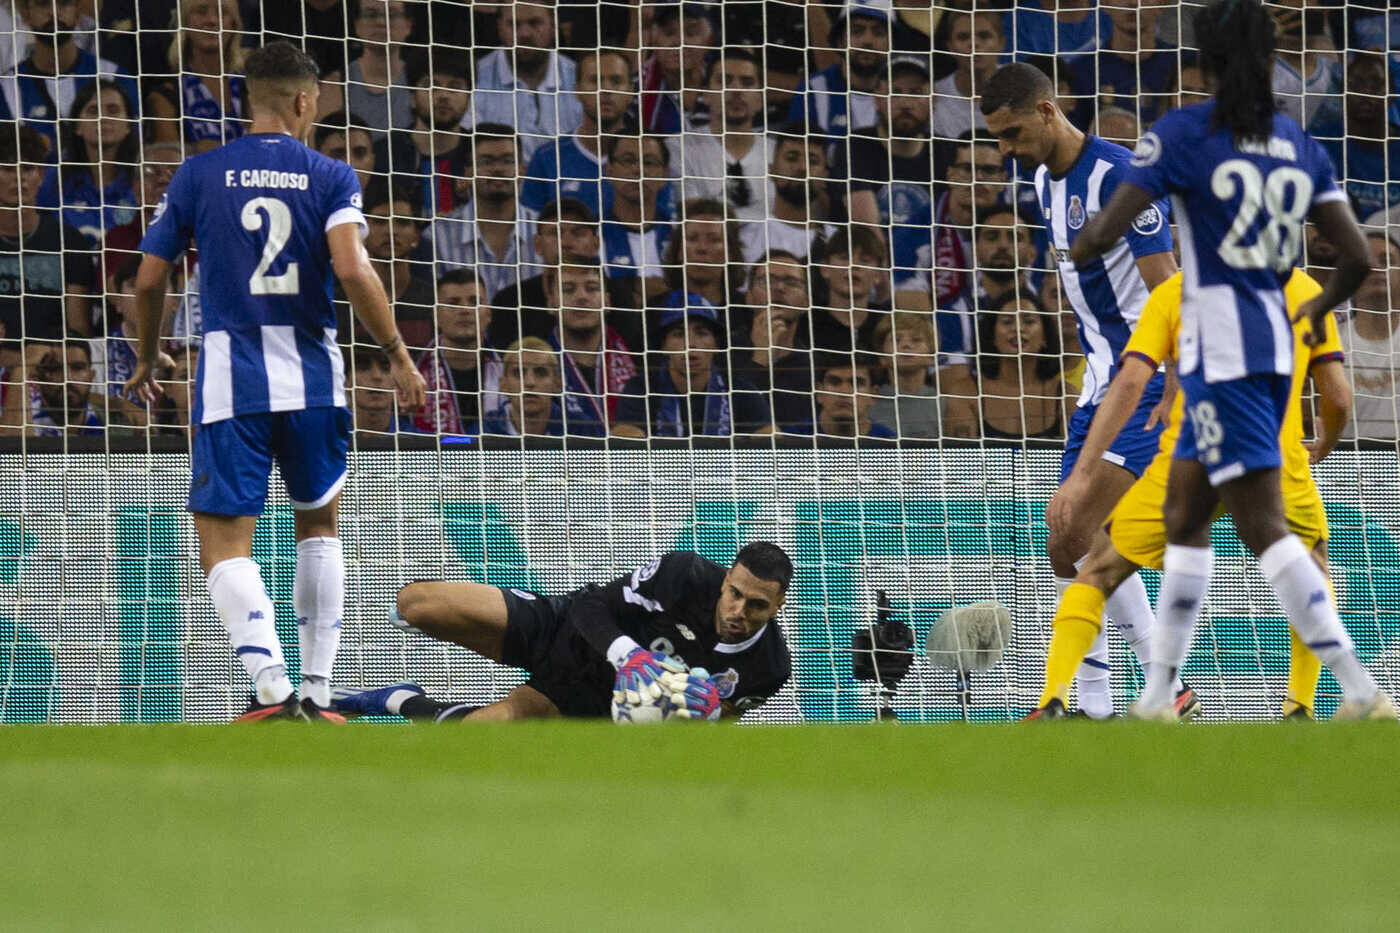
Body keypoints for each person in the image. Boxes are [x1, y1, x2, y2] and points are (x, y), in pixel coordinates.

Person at [1068, 0, 1394, 721]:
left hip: (1219, 349)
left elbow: (1109, 227)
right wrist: (1314, 306)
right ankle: (1158, 694)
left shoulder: (1183, 133)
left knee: (1262, 527)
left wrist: (1081, 244)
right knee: (1185, 512)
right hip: (1273, 350)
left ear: (1205, 62)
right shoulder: (1298, 143)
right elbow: (1360, 256)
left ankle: (1364, 690)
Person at [124, 41, 427, 723]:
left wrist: (146, 355)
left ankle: (267, 682)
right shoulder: (331, 174)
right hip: (317, 374)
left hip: (234, 376)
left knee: (224, 537)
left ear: (249, 99)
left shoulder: (199, 175)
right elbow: (353, 269)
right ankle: (318, 692)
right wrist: (399, 354)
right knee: (318, 524)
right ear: (300, 101)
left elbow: (149, 277)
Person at [1033, 266, 1349, 720]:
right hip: (1271, 457)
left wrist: (1084, 470)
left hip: (1193, 457)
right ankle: (1299, 706)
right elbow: (1336, 396)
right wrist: (1327, 439)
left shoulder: (1175, 290)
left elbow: (1130, 381)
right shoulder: (1302, 288)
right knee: (1311, 570)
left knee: (1099, 568)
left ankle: (1055, 699)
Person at [980, 60, 1178, 720]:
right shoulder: (1041, 179)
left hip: (1142, 381)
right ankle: (1112, 698)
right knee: (1065, 540)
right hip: (1097, 383)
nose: (1004, 152)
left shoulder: (1121, 177)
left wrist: (1174, 383)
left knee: (1081, 519)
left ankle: (1132, 690)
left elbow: (1167, 291)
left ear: (1046, 111)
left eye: (1010, 134)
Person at [333, 543, 793, 721]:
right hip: (569, 630)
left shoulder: (768, 667)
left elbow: (718, 718)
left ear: (777, 607)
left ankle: (391, 698)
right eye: (733, 593)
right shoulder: (685, 575)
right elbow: (594, 605)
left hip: (587, 698)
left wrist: (688, 715)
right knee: (417, 604)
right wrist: (630, 656)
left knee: (473, 735)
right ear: (726, 578)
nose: (737, 610)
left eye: (756, 606)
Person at [612, 294, 772, 438]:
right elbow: (625, 439)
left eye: (701, 333)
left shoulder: (740, 389)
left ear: (716, 345)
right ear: (663, 346)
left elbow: (770, 438)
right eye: (679, 334)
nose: (690, 344)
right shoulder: (640, 389)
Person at [0, 122, 95, 342]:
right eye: (7, 168)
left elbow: (79, 330)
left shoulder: (70, 241)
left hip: (53, 366)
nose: (19, 177)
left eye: (27, 168)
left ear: (41, 175)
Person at [0, 0, 139, 149]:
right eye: (43, 4)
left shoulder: (115, 77)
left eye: (64, 3)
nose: (54, 12)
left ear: (78, 13)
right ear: (25, 15)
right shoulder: (7, 87)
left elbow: (132, 152)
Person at [520, 48, 635, 223]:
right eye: (595, 81)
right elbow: (530, 230)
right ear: (577, 90)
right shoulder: (547, 158)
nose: (605, 90)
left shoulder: (649, 157)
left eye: (616, 81)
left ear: (631, 91)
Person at [431, 123, 532, 305]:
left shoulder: (545, 231)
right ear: (468, 172)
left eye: (507, 161)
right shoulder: (437, 236)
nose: (497, 169)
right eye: (486, 161)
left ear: (522, 170)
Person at [945, 293, 1068, 441]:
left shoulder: (1066, 395)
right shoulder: (965, 393)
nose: (1018, 328)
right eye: (1007, 322)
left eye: (1029, 321)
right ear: (993, 337)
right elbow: (962, 460)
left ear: (1045, 337)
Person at [471, 1, 583, 164]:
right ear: (500, 28)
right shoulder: (476, 78)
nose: (524, 34)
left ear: (553, 25)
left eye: (534, 23)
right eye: (514, 24)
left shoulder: (580, 79)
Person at [543, 254, 637, 436]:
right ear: (551, 303)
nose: (581, 297)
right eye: (568, 290)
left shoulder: (638, 356)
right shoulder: (537, 367)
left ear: (607, 301)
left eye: (591, 288)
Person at [668, 50, 767, 221]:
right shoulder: (677, 148)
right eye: (724, 81)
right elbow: (694, 218)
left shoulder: (778, 154)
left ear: (761, 98)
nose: (736, 89)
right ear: (705, 95)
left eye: (747, 82)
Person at [45, 79, 140, 247]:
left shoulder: (143, 183)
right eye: (93, 111)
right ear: (77, 127)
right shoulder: (51, 181)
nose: (103, 118)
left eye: (113, 110)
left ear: (128, 125)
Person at [729, 250, 817, 431]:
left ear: (806, 302)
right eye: (767, 281)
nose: (779, 288)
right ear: (749, 298)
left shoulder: (815, 367)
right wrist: (760, 358)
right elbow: (728, 416)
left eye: (792, 283)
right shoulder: (724, 352)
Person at [145, 0, 247, 151]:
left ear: (234, 24)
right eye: (201, 11)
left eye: (222, 13)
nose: (212, 20)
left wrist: (204, 149)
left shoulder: (252, 87)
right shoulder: (165, 97)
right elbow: (170, 162)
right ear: (184, 22)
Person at [413, 267, 502, 436]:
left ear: (488, 314)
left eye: (474, 302)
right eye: (453, 303)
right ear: (436, 316)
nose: (465, 310)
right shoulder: (415, 374)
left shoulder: (509, 371)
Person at [787, 0, 889, 139]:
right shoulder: (812, 90)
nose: (867, 40)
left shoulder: (909, 91)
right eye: (857, 31)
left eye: (878, 33)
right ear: (840, 41)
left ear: (892, 43)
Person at [739, 124, 836, 264]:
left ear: (825, 177)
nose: (802, 168)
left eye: (813, 161)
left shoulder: (839, 243)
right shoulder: (745, 239)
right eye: (791, 158)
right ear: (772, 170)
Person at [1337, 229, 1400, 442]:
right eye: (1367, 261)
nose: (1376, 268)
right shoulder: (1331, 341)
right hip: (1344, 465)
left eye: (1387, 260)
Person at [601, 133, 676, 305]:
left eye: (648, 162)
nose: (638, 170)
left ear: (665, 174)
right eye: (628, 161)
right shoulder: (591, 236)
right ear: (609, 171)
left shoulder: (680, 235)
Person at [810, 226, 886, 352]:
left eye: (865, 260)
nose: (854, 265)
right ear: (825, 269)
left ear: (878, 275)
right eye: (844, 257)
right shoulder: (805, 324)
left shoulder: (889, 325)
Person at [785, 352, 896, 439]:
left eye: (856, 383)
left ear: (873, 395)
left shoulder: (891, 444)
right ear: (819, 392)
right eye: (834, 382)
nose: (844, 392)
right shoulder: (789, 441)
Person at [932, 9, 1003, 143]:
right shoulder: (935, 97)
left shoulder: (1023, 89)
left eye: (984, 36)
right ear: (950, 47)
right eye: (963, 37)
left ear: (1001, 43)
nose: (974, 44)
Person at [870, 311, 940, 438]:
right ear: (882, 356)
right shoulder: (869, 405)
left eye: (916, 339)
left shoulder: (944, 404)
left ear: (932, 356)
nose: (906, 345)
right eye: (896, 340)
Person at [480, 337, 564, 437]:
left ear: (557, 384)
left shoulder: (582, 431)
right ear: (503, 385)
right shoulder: (481, 433)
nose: (530, 382)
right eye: (518, 373)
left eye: (541, 373)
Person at [313, 111, 378, 192]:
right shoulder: (299, 202)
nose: (350, 164)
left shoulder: (391, 202)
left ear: (372, 161)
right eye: (337, 154)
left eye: (360, 153)